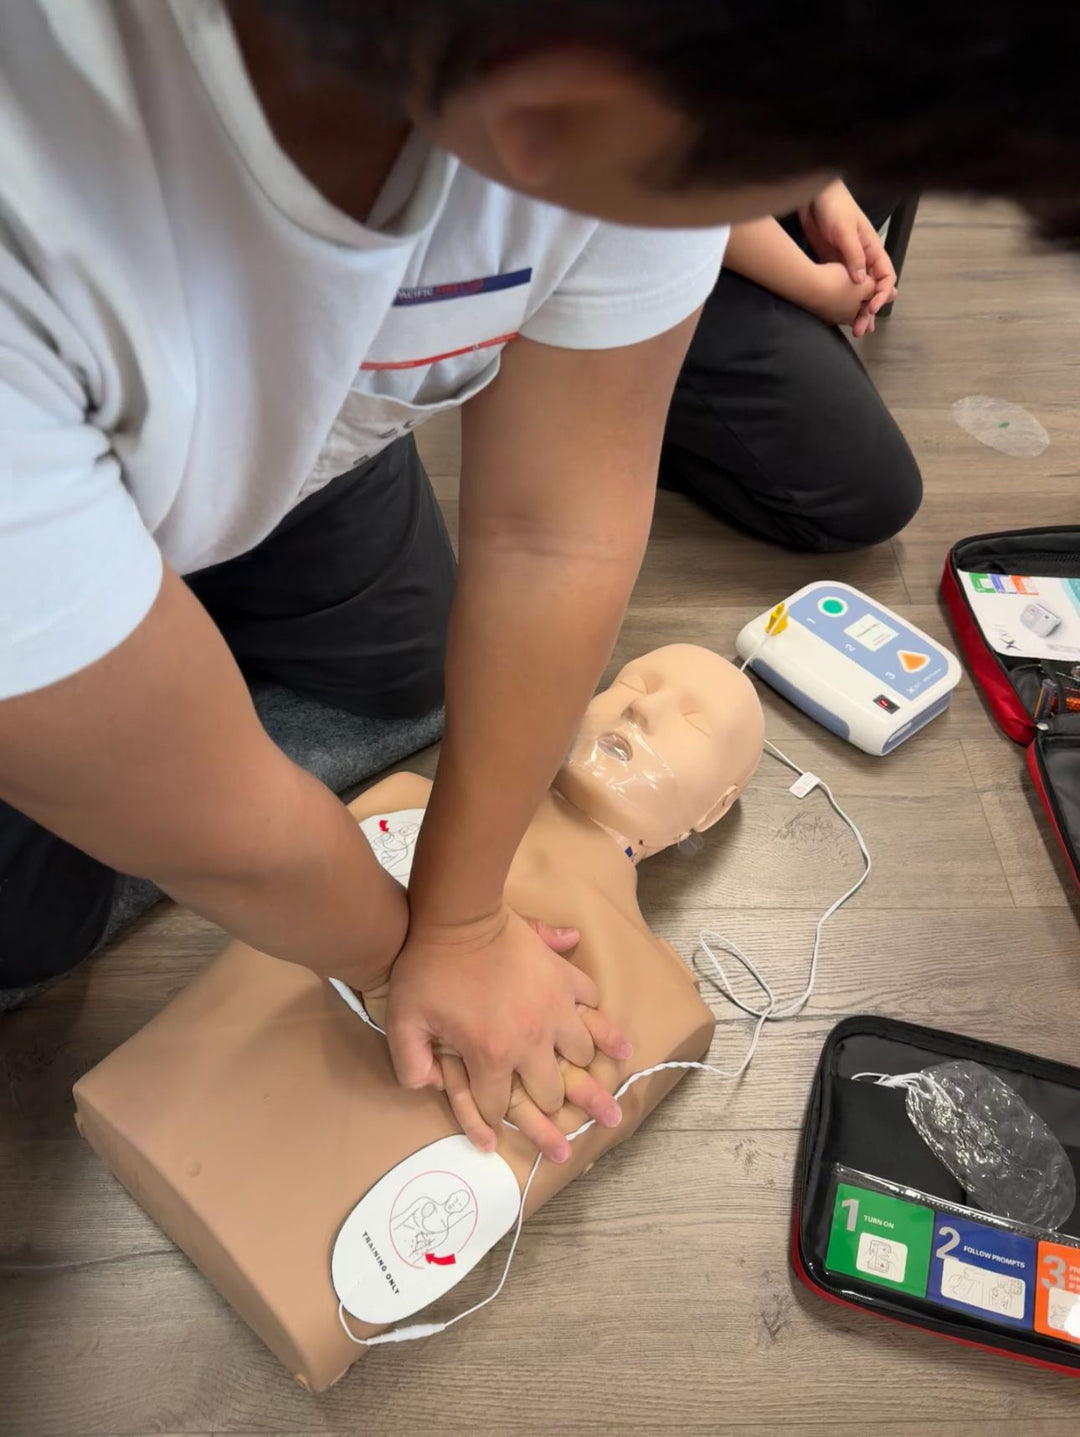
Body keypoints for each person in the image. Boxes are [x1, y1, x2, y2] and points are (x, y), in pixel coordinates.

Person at [2, 1, 1077, 1156]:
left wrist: (459, 918)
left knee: (408, 674)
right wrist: (402, 945)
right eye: (773, 167)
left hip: (278, 446)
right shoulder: (46, 203)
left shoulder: (651, 89)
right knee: (32, 924)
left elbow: (557, 531)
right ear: (546, 104)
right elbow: (203, 812)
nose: (628, 706)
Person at [662, 181, 924, 552]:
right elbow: (659, 161)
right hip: (636, 228)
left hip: (715, 182)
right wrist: (811, 287)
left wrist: (820, 187)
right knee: (870, 499)